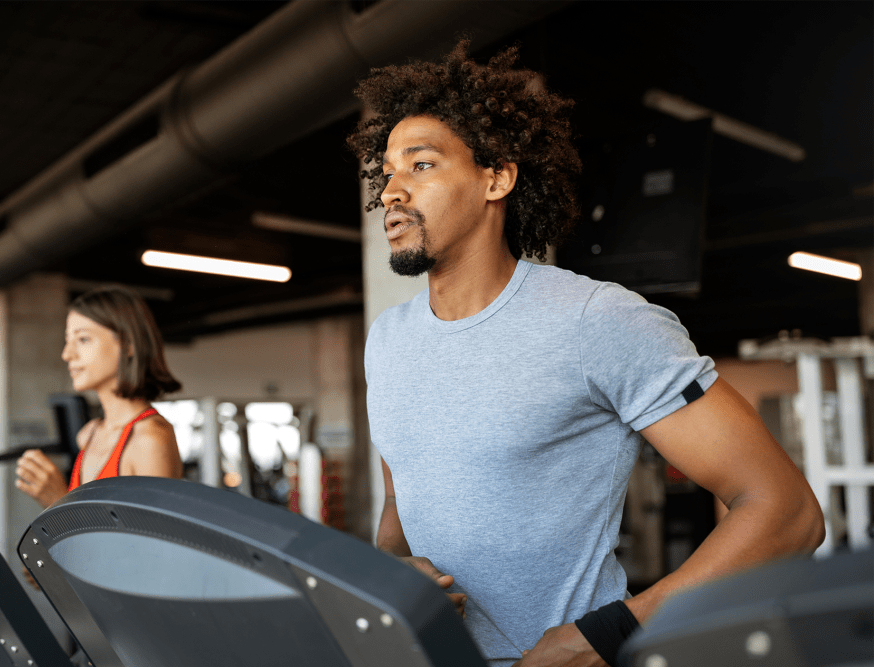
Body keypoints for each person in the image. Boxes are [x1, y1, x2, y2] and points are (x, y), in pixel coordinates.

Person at [347, 42, 824, 667]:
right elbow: (398, 509)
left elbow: (786, 512)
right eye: (387, 172)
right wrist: (396, 575)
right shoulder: (387, 339)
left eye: (422, 165)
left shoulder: (593, 320)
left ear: (498, 178)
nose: (391, 192)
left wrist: (606, 636)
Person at [16, 285, 183, 509]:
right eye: (68, 340)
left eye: (83, 340)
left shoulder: (150, 440)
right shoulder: (89, 434)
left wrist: (57, 501)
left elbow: (153, 544)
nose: (67, 354)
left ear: (128, 345)